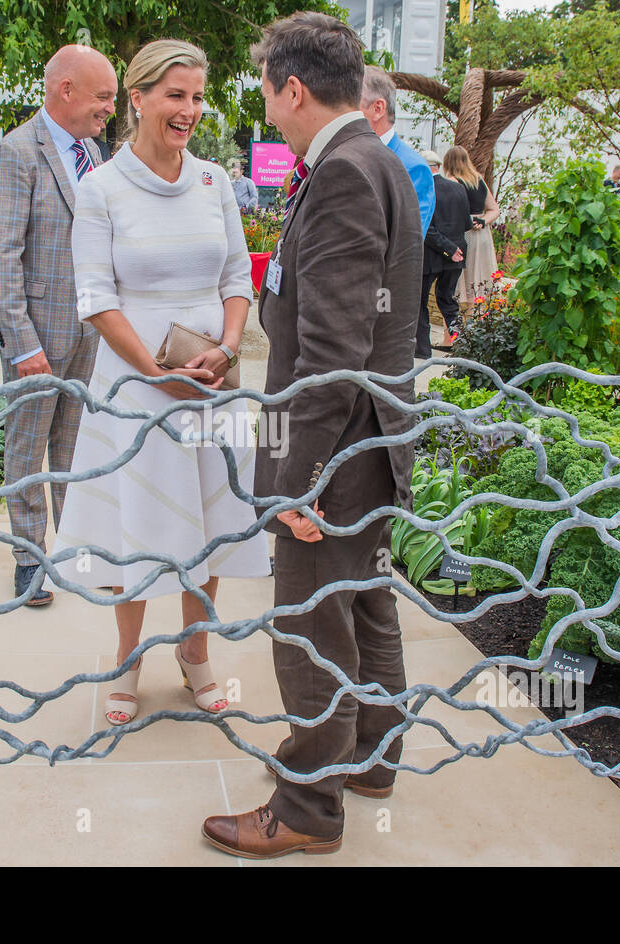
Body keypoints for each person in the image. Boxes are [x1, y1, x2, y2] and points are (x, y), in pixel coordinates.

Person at [202, 11, 419, 859]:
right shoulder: (375, 157)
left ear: (293, 88)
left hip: (336, 450)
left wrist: (299, 476)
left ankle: (305, 809)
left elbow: (333, 351)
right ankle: (371, 756)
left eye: (266, 95)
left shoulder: (340, 173)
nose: (267, 113)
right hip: (368, 441)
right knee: (365, 604)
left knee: (308, 622)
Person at [51, 39, 269, 725]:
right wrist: (155, 374)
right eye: (177, 95)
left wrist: (228, 350)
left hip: (210, 381)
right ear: (138, 99)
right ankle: (127, 659)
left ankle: (196, 654)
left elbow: (237, 277)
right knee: (133, 528)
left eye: (199, 97)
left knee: (205, 523)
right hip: (137, 387)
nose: (191, 111)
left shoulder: (213, 184)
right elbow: (96, 297)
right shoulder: (101, 189)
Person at [0, 44, 117, 606]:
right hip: (34, 337)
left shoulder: (93, 152)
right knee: (28, 448)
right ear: (67, 90)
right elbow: (1, 258)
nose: (109, 108)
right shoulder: (17, 153)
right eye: (103, 97)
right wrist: (22, 343)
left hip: (87, 331)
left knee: (74, 448)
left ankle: (77, 551)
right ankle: (28, 561)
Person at [360, 65, 433, 237]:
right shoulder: (343, 156)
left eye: (352, 105)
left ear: (378, 109)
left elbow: (406, 245)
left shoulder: (413, 168)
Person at [424, 148, 472, 354]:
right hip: (457, 256)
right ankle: (460, 342)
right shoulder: (458, 188)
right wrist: (453, 249)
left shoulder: (424, 189)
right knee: (447, 300)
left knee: (420, 301)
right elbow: (467, 223)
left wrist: (447, 248)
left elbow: (426, 227)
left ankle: (421, 348)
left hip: (433, 255)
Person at [445, 146, 499, 304]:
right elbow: (494, 209)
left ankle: (452, 328)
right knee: (477, 281)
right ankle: (473, 325)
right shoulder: (478, 180)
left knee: (458, 282)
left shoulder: (451, 182)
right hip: (482, 235)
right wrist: (482, 221)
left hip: (463, 233)